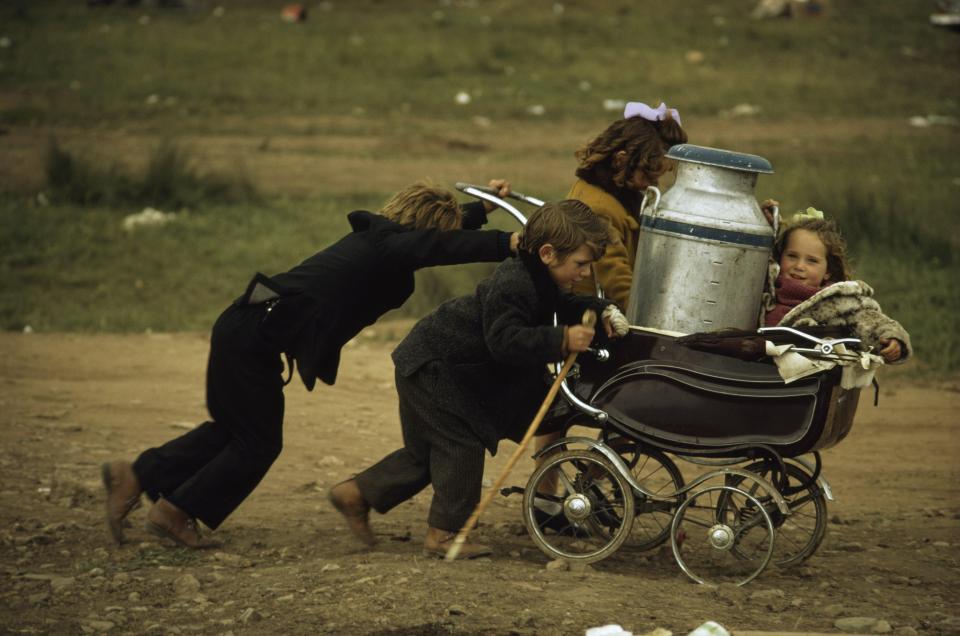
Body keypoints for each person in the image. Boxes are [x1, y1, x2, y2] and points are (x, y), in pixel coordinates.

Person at [101, 180, 521, 548]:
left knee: (234, 431)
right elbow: (436, 244)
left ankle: (138, 474)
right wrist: (509, 243)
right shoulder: (389, 247)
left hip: (245, 330)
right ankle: (175, 512)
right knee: (257, 442)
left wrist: (481, 208)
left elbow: (433, 238)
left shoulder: (382, 240)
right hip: (252, 338)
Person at [328, 199, 629, 558]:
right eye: (580, 264)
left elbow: (563, 306)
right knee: (461, 445)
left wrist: (600, 309)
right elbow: (504, 341)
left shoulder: (540, 276)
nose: (584, 272)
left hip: (433, 363)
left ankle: (355, 494)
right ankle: (442, 536)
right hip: (434, 367)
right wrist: (561, 339)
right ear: (548, 253)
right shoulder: (515, 281)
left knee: (426, 454)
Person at [567, 101, 688, 309]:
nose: (653, 184)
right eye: (648, 175)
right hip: (590, 316)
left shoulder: (620, 195)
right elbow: (615, 278)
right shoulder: (599, 210)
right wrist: (647, 315)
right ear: (621, 160)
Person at [760, 207, 911, 364]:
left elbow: (870, 321)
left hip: (810, 378)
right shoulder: (762, 288)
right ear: (780, 255)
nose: (799, 266)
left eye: (811, 260)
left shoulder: (838, 301)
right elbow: (749, 260)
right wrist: (764, 223)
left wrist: (892, 338)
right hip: (755, 368)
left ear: (828, 271)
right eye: (792, 256)